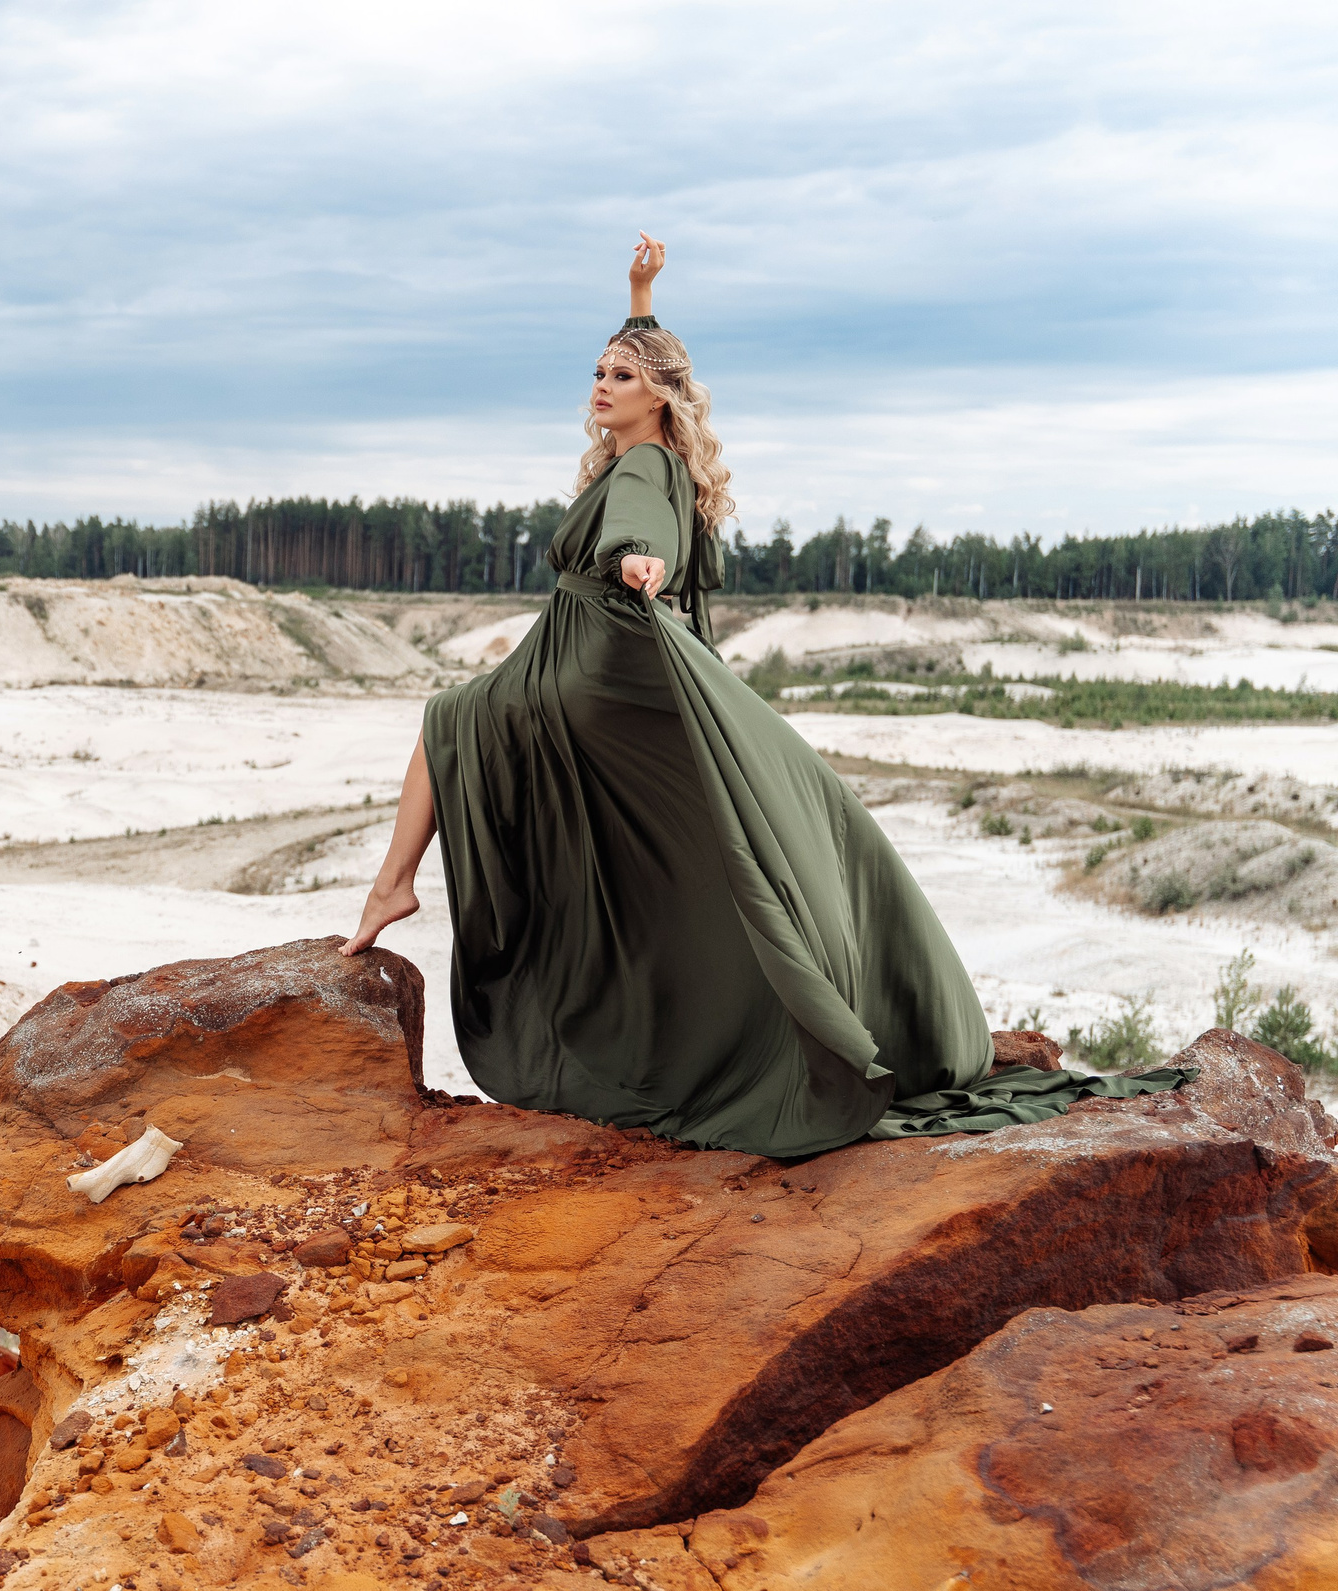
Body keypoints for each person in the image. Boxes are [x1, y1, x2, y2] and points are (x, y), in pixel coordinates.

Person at [340, 235, 1184, 1157]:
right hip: (589, 652)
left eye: (619, 374)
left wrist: (638, 561)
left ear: (655, 396)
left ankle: (393, 886)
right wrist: (641, 292)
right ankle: (408, 892)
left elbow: (641, 526)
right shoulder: (653, 449)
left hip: (592, 659)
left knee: (448, 724)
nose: (601, 384)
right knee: (544, 773)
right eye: (598, 371)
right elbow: (648, 414)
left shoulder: (646, 468)